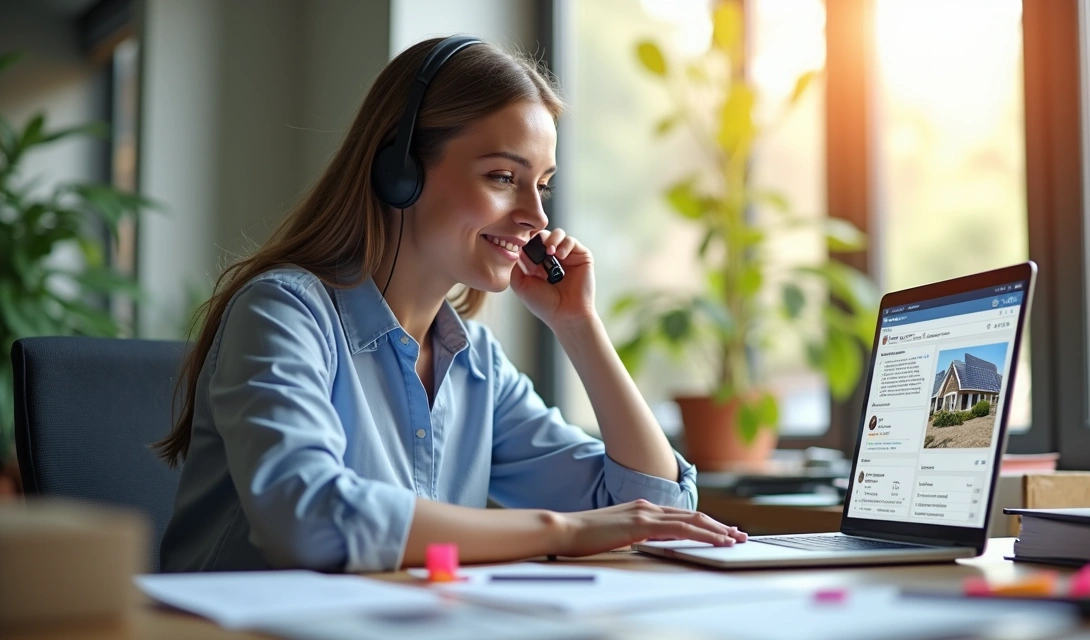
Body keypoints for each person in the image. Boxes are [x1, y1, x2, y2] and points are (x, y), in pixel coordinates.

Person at [153, 37, 746, 573]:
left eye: (542, 185)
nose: (536, 218)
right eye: (503, 177)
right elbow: (307, 519)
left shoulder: (474, 362)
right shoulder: (284, 313)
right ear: (400, 172)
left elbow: (654, 508)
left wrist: (578, 325)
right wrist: (561, 531)